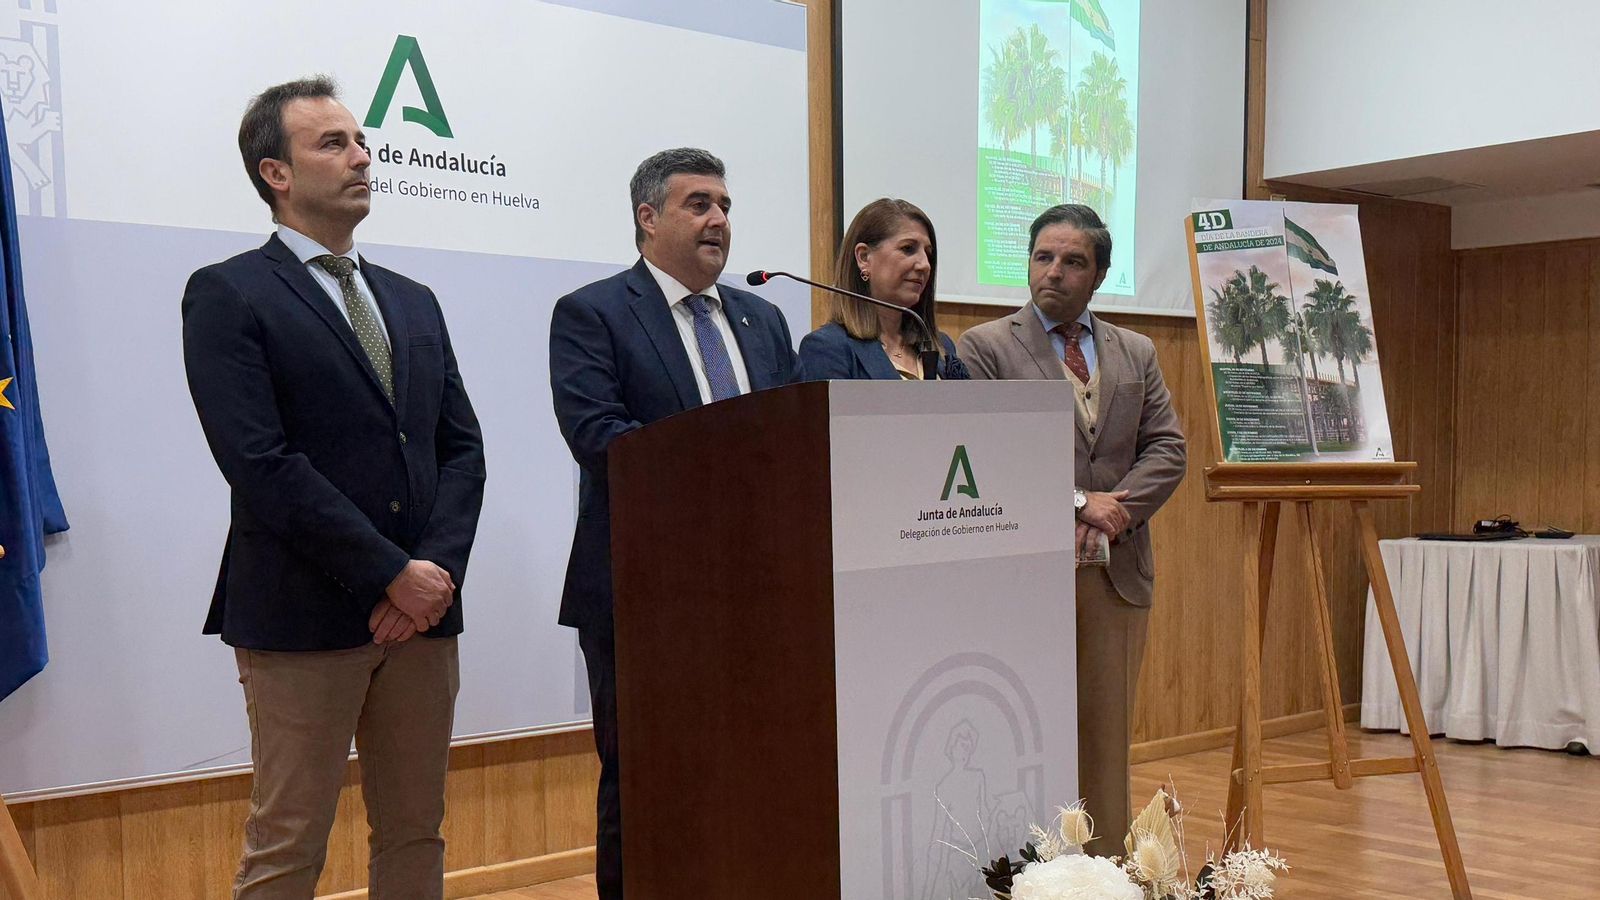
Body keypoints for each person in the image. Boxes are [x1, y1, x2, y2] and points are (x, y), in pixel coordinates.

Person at [181, 76, 486, 899]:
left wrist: (431, 575)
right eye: (334, 143)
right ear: (275, 172)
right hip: (302, 612)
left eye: (361, 142)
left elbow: (461, 450)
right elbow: (260, 461)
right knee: (288, 843)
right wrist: (390, 573)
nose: (361, 157)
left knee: (416, 831)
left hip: (424, 618)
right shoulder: (229, 292)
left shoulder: (413, 301)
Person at [547, 147, 801, 899]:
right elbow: (600, 436)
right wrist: (726, 474)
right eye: (699, 204)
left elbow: (792, 441)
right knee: (644, 778)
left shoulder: (763, 319)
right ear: (648, 217)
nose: (718, 219)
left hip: (756, 592)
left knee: (754, 771)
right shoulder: (593, 313)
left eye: (725, 206)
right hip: (644, 592)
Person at [957, 203, 1185, 853]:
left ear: (1100, 274)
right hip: (1025, 574)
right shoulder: (984, 347)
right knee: (1023, 734)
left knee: (1105, 738)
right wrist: (1077, 501)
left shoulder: (1135, 351)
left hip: (1116, 574)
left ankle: (1104, 873)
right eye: (1043, 257)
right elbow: (986, 453)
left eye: (1072, 261)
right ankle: (1031, 873)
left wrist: (1118, 511)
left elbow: (1168, 448)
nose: (1054, 271)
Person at [798, 198, 968, 380]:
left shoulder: (942, 346)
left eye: (928, 253)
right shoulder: (827, 347)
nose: (925, 265)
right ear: (864, 257)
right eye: (908, 248)